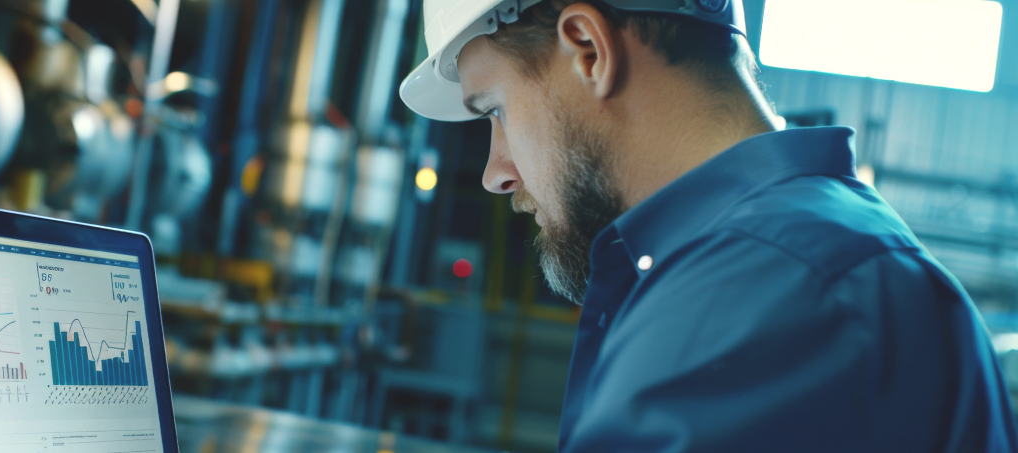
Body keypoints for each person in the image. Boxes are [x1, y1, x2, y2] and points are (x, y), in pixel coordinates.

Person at [398, 0, 1018, 451]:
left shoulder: (759, 300)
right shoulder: (814, 254)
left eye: (497, 110)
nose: (494, 173)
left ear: (588, 50)